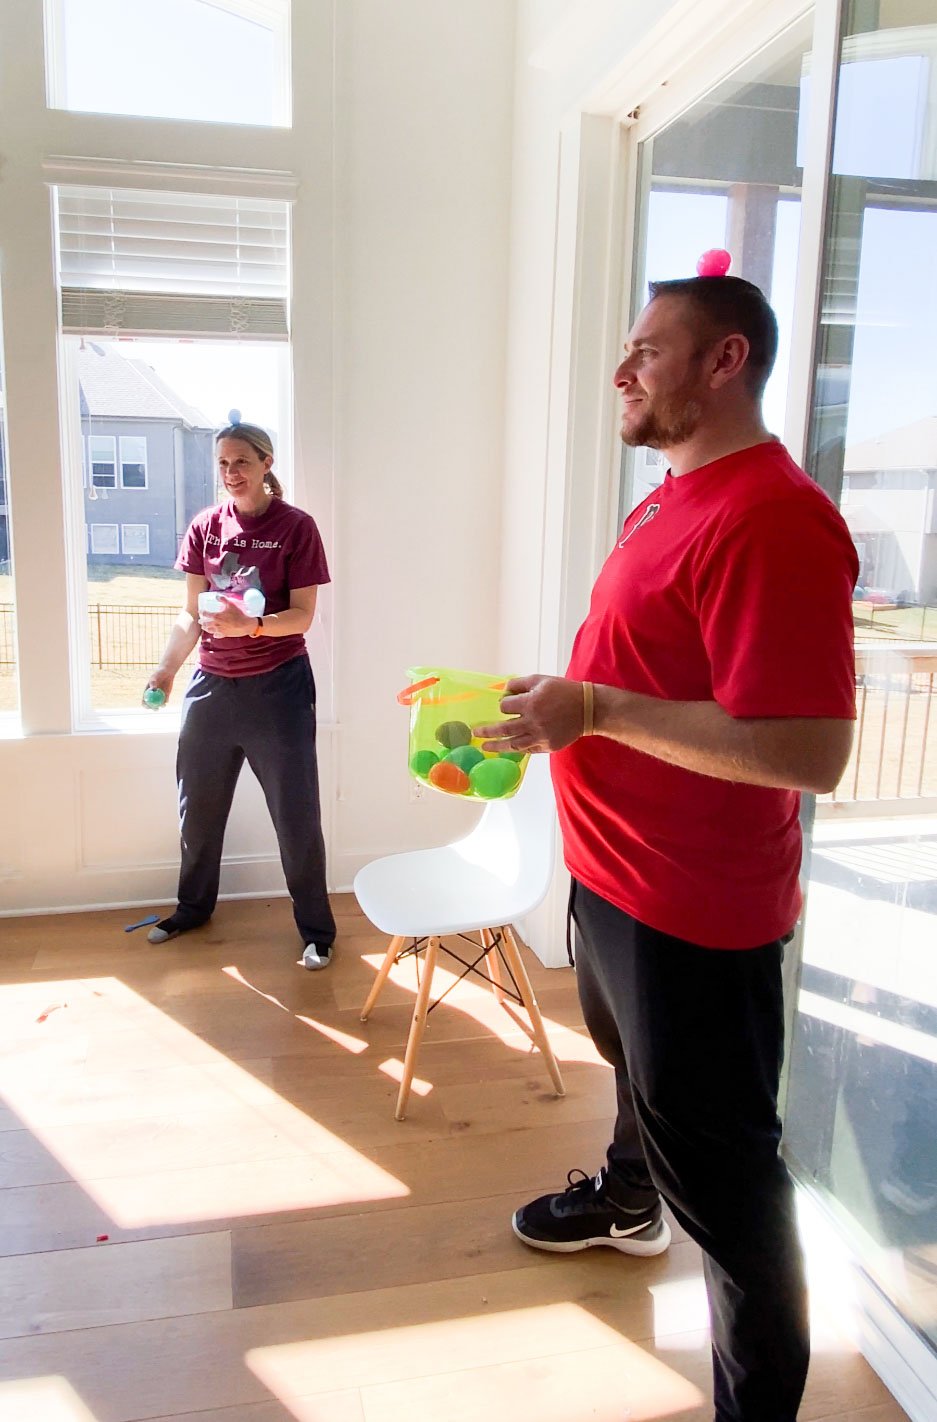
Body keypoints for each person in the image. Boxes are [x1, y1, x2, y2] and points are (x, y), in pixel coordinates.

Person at [476, 275, 859, 1422]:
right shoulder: (670, 495)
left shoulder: (773, 518)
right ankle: (631, 1200)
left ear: (722, 361)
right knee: (641, 1090)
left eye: (646, 350)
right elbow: (645, 668)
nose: (621, 371)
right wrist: (557, 704)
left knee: (735, 1196)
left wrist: (590, 712)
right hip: (613, 879)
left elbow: (808, 751)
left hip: (692, 917)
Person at [144, 414, 336, 971]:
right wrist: (165, 671)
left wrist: (249, 627)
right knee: (197, 809)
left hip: (278, 689)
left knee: (295, 814)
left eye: (242, 462)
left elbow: (301, 618)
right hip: (212, 687)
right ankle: (192, 908)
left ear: (266, 464)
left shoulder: (296, 527)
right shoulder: (205, 526)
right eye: (223, 463)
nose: (231, 472)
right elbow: (190, 616)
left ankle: (317, 932)